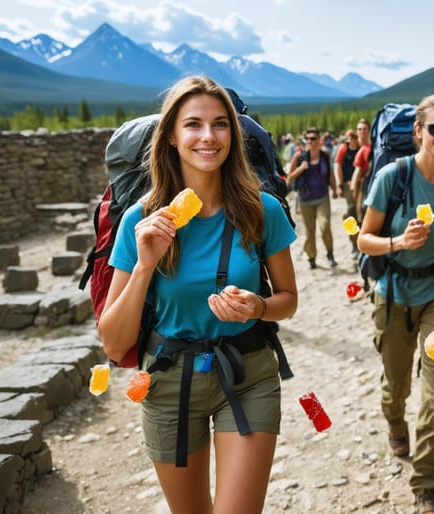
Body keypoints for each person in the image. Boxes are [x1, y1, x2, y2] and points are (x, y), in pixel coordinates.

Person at [97, 76, 298, 514]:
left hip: (248, 375)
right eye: (193, 124)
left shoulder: (263, 209)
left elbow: (288, 299)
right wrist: (146, 265)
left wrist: (259, 306)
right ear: (171, 135)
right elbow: (113, 342)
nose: (208, 136)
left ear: (234, 134)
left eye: (221, 124)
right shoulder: (141, 219)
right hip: (170, 381)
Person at [356, 93, 434, 514]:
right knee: (396, 385)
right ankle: (394, 422)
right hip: (392, 293)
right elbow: (364, 238)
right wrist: (398, 242)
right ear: (419, 131)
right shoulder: (394, 176)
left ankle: (427, 486)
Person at [287, 126, 339, 269]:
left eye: (313, 138)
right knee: (310, 231)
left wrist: (335, 189)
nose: (310, 141)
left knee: (325, 225)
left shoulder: (325, 155)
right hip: (305, 199)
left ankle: (330, 254)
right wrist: (301, 168)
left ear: (319, 140)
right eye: (308, 138)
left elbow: (330, 175)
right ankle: (312, 258)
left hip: (322, 197)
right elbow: (289, 178)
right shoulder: (299, 156)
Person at [334, 128, 361, 257]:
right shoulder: (343, 150)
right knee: (352, 211)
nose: (349, 140)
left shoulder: (361, 148)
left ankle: (361, 241)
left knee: (361, 211)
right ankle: (354, 243)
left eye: (351, 137)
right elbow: (337, 166)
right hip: (347, 184)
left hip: (360, 185)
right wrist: (339, 184)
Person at [350, 118, 372, 222]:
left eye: (364, 129)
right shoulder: (351, 145)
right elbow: (357, 172)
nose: (362, 131)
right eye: (360, 129)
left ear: (369, 131)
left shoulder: (374, 147)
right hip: (362, 185)